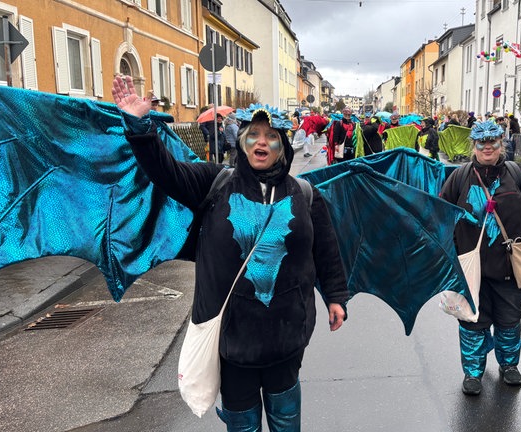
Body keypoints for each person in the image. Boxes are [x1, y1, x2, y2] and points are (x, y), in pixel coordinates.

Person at [111, 75, 348, 431]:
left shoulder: (305, 193)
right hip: (232, 332)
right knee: (242, 420)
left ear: (283, 145)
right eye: (253, 135)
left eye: (270, 137)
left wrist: (336, 297)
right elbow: (166, 172)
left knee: (286, 415)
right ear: (242, 142)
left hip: (287, 328)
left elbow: (326, 251)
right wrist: (140, 128)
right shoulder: (216, 183)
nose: (261, 143)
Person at [440, 120, 521, 396]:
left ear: (501, 143)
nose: (487, 148)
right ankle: (473, 372)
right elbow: (441, 217)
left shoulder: (519, 175)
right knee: (473, 322)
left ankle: (508, 366)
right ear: (474, 146)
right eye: (481, 143)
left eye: (493, 142)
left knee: (509, 320)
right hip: (471, 269)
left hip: (509, 268)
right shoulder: (459, 177)